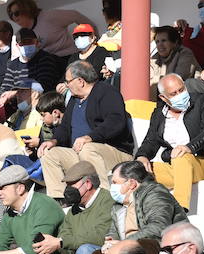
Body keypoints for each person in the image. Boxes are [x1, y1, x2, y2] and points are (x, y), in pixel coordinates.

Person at [37, 60, 134, 195]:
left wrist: (90, 137)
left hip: (113, 151)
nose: (66, 85)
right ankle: (59, 201)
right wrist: (53, 141)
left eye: (68, 81)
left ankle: (103, 197)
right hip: (80, 152)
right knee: (49, 154)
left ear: (80, 81)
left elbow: (116, 121)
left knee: (87, 148)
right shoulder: (74, 100)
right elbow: (64, 126)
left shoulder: (106, 92)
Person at [134, 73, 204, 208]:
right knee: (135, 171)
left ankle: (180, 210)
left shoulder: (202, 101)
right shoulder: (159, 114)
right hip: (177, 168)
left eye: (181, 90)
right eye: (173, 93)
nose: (179, 95)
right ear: (163, 98)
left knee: (181, 157)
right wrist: (142, 156)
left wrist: (190, 147)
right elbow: (151, 141)